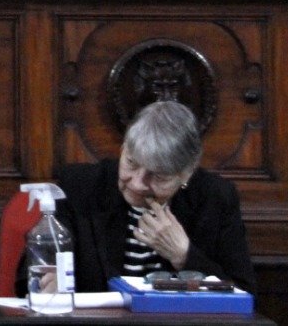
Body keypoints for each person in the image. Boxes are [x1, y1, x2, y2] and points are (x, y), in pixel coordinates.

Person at [50, 101, 254, 293]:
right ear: (123, 149)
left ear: (186, 173)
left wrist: (184, 256)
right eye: (131, 163)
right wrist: (49, 280)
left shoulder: (215, 199)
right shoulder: (80, 186)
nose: (137, 183)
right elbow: (33, 271)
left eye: (158, 175)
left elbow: (244, 294)